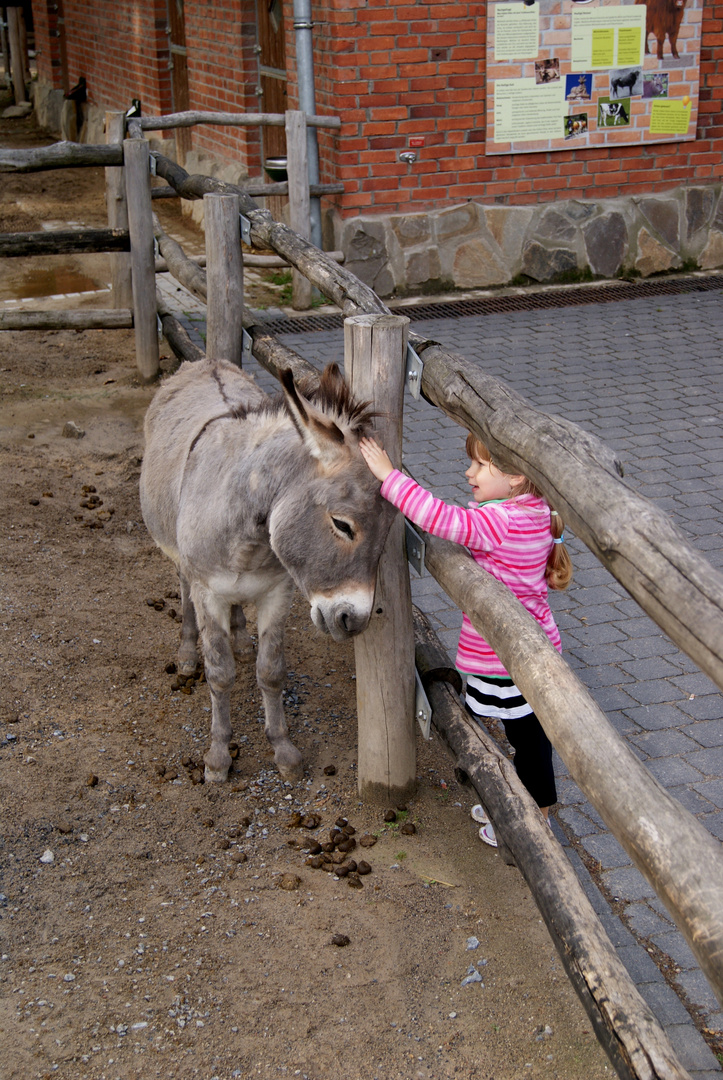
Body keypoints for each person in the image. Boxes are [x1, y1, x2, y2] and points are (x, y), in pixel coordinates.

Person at [359, 431, 572, 847]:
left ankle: (534, 820)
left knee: (527, 741)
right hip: (525, 650)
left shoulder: (501, 521)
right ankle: (516, 801)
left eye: (479, 465)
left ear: (515, 476)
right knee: (525, 737)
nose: (468, 471)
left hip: (507, 658)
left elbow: (440, 518)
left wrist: (390, 476)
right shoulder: (532, 510)